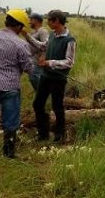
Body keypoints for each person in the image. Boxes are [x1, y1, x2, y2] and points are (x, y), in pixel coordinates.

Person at [0, 9, 33, 158]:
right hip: (10, 87)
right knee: (10, 121)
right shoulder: (20, 44)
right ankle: (8, 153)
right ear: (20, 26)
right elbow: (28, 68)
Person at [22, 9, 76, 142]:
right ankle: (43, 134)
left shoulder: (70, 40)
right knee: (38, 104)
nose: (47, 22)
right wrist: (27, 36)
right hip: (46, 76)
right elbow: (42, 46)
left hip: (58, 79)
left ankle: (60, 134)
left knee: (57, 106)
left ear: (57, 21)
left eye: (49, 20)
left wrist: (50, 63)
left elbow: (69, 62)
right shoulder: (52, 35)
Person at [27, 13, 49, 90]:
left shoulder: (43, 31)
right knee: (33, 77)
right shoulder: (34, 32)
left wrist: (43, 55)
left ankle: (42, 93)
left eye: (31, 20)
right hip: (32, 59)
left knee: (35, 77)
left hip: (38, 59)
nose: (29, 22)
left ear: (36, 20)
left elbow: (46, 45)